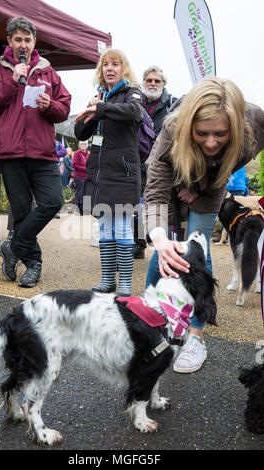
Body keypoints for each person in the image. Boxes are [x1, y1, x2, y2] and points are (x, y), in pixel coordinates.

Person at [143, 77, 264, 373]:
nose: (211, 142)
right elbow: (156, 188)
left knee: (199, 250)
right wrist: (158, 237)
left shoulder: (255, 124)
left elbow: (228, 159)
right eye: (203, 134)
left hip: (213, 184)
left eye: (220, 134)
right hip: (175, 177)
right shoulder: (173, 129)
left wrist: (202, 188)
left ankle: (195, 336)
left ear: (235, 128)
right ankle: (148, 322)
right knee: (167, 250)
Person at [0, 16, 71, 287]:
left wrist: (49, 105)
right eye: (18, 39)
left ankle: (13, 248)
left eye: (27, 40)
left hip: (43, 152)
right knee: (20, 212)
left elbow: (63, 108)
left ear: (34, 42)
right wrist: (12, 80)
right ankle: (33, 264)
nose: (23, 44)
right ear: (9, 41)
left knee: (53, 202)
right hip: (11, 153)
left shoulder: (48, 71)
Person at [74, 48, 143, 296]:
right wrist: (92, 113)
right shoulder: (99, 96)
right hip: (100, 174)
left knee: (123, 226)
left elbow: (134, 113)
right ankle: (107, 279)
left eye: (115, 64)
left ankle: (124, 282)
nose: (110, 68)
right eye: (105, 64)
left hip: (123, 173)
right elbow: (80, 133)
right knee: (105, 227)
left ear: (124, 68)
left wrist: (101, 108)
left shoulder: (132, 93)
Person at [134, 66, 179, 259]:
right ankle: (139, 243)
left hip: (162, 163)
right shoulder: (135, 101)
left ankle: (162, 241)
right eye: (149, 80)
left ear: (163, 84)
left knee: (159, 203)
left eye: (156, 81)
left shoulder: (172, 104)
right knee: (137, 204)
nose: (152, 84)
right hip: (137, 162)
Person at [72, 141, 89, 214]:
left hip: (86, 177)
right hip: (79, 177)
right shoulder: (77, 153)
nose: (84, 145)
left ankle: (82, 210)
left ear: (87, 145)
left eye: (85, 144)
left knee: (85, 193)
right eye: (82, 144)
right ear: (79, 145)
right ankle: (76, 209)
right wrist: (85, 168)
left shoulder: (88, 154)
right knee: (79, 193)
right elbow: (74, 165)